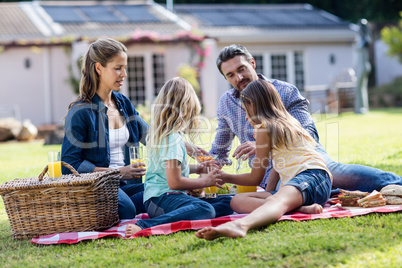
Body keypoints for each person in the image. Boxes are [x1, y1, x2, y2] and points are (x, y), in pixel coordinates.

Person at [209, 44, 401, 193]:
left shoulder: (285, 90)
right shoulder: (226, 103)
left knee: (335, 174)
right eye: (231, 75)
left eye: (241, 69)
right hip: (269, 176)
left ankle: (395, 182)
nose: (239, 77)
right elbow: (219, 150)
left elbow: (307, 133)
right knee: (287, 194)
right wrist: (204, 165)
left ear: (252, 63)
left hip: (306, 158)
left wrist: (263, 145)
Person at [195, 79, 332, 240]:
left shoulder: (264, 129)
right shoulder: (286, 122)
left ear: (253, 104)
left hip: (311, 177)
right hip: (313, 183)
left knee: (276, 200)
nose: (246, 117)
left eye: (246, 111)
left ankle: (240, 225)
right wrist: (269, 192)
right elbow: (277, 166)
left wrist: (224, 176)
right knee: (237, 201)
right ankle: (299, 208)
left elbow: (255, 178)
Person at [125, 77, 233, 237]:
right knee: (206, 209)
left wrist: (199, 168)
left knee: (226, 203)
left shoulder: (166, 136)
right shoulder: (173, 139)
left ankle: (186, 212)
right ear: (186, 109)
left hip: (159, 199)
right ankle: (145, 225)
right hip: (162, 199)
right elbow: (174, 182)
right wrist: (205, 181)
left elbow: (169, 169)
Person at [61, 38, 149, 219]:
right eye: (118, 68)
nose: (124, 74)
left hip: (125, 185)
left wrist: (187, 147)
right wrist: (119, 172)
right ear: (99, 68)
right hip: (97, 187)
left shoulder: (123, 103)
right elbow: (69, 166)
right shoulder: (80, 112)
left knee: (163, 190)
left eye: (125, 68)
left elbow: (150, 135)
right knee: (128, 209)